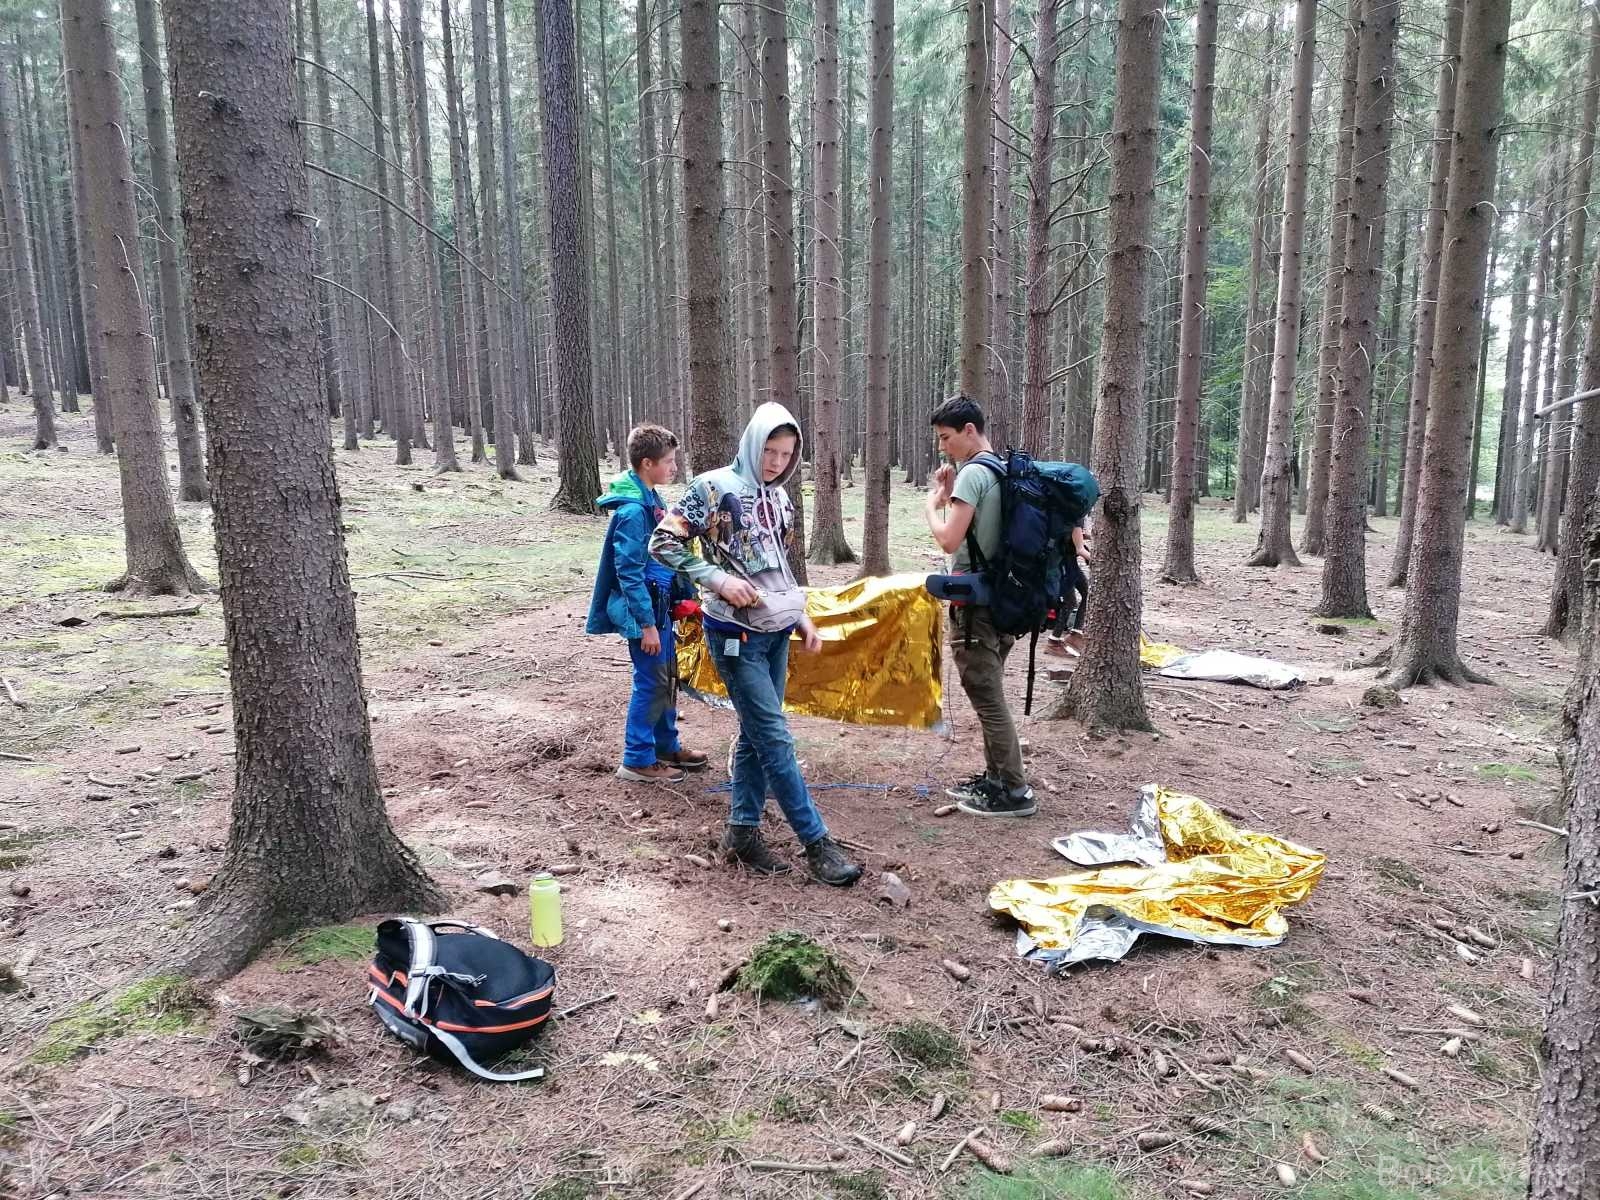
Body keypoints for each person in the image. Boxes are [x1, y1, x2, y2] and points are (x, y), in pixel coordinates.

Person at [650, 402, 864, 886]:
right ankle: (817, 843)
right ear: (752, 443)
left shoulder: (781, 499)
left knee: (755, 733)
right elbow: (662, 543)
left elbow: (778, 568)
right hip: (733, 635)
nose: (776, 462)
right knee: (774, 736)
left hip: (776, 633)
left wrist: (801, 616)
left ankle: (742, 833)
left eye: (786, 454)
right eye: (769, 451)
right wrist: (717, 580)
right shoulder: (711, 487)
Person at [924, 395, 1036, 818]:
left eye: (946, 437)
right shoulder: (1002, 469)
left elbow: (949, 540)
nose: (943, 446)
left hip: (976, 608)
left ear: (969, 430)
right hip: (1005, 599)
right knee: (990, 692)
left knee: (987, 698)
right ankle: (995, 779)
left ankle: (1014, 791)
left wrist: (933, 504)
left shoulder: (974, 473)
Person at [585, 423, 708, 783]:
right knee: (650, 681)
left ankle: (665, 746)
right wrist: (647, 625)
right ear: (647, 463)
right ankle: (637, 758)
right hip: (646, 615)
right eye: (669, 461)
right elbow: (628, 571)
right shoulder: (633, 512)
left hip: (661, 608)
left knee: (666, 678)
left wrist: (683, 596)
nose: (674, 467)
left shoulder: (654, 500)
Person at [1045, 516, 1091, 658]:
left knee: (1087, 593)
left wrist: (1083, 536)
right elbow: (1080, 549)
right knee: (1070, 602)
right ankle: (1053, 641)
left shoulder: (1075, 514)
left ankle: (1075, 634)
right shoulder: (1076, 515)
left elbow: (1074, 538)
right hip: (1063, 565)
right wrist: (1099, 559)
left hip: (1068, 562)